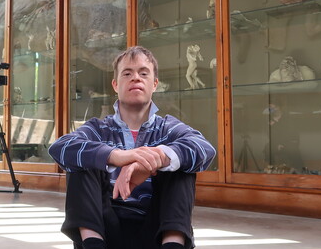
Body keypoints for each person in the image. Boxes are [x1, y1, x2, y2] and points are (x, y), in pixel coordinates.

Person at [49, 46, 217, 249]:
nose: (136, 78)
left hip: (156, 233)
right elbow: (59, 147)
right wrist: (117, 156)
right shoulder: (98, 129)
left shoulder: (168, 127)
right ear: (115, 84)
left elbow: (205, 148)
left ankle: (173, 245)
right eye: (127, 73)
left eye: (143, 73)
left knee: (179, 161)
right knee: (82, 156)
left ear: (154, 84)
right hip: (104, 230)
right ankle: (93, 244)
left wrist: (154, 159)